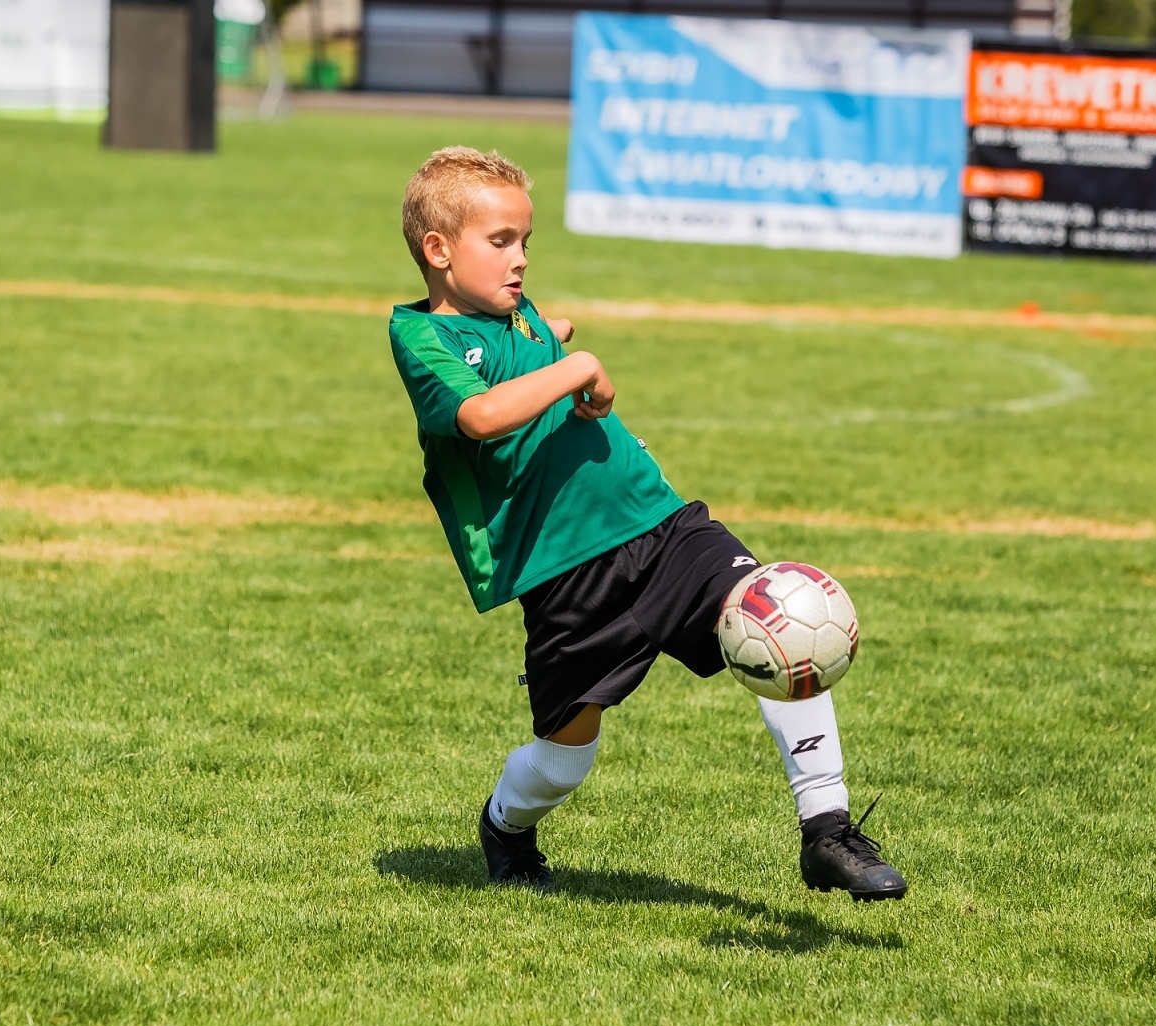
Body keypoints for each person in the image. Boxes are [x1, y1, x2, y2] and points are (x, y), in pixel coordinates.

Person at [387, 146, 906, 902]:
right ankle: (505, 823)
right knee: (565, 758)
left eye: (526, 241)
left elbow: (533, 341)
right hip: (564, 574)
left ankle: (826, 829)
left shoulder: (518, 316)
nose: (520, 259)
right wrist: (580, 363)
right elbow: (481, 415)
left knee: (772, 613)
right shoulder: (422, 339)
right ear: (437, 251)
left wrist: (563, 352)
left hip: (659, 525)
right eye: (500, 242)